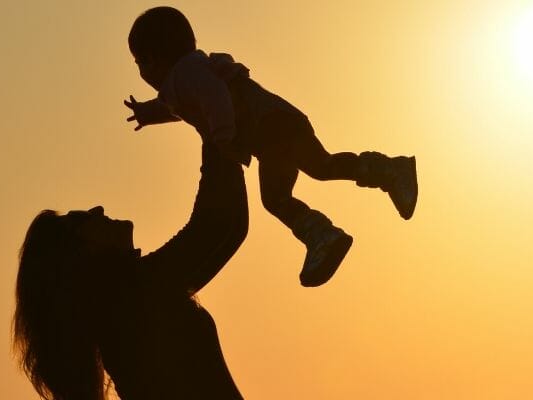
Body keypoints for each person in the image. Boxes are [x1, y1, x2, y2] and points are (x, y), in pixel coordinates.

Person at [123, 6, 418, 287]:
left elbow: (214, 97)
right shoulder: (188, 76)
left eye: (139, 63)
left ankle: (324, 235)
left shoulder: (186, 74)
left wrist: (224, 137)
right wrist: (147, 114)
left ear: (152, 59)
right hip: (279, 123)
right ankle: (387, 171)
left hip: (269, 129)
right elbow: (175, 106)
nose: (142, 72)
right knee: (322, 167)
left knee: (277, 197)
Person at [14, 142, 249, 399]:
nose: (98, 209)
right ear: (79, 256)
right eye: (81, 219)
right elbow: (216, 226)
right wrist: (214, 122)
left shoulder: (126, 299)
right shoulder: (132, 295)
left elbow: (231, 228)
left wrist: (220, 130)